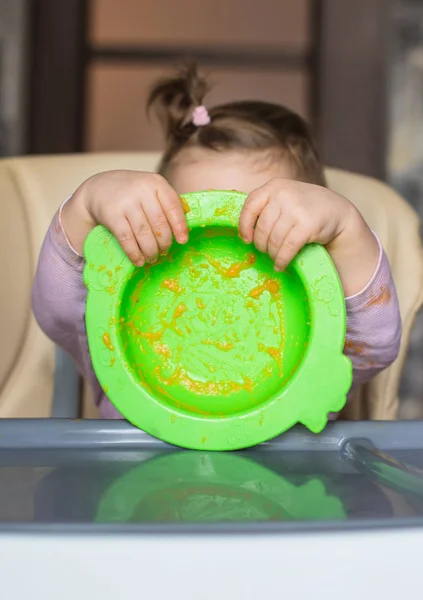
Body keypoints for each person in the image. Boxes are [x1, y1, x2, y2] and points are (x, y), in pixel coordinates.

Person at [32, 64, 401, 419]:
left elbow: (374, 346)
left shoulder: (319, 335)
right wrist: (85, 207)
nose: (221, 243)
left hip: (292, 482)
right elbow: (59, 312)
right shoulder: (120, 328)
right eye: (197, 221)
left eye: (258, 223)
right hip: (132, 480)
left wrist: (346, 230)